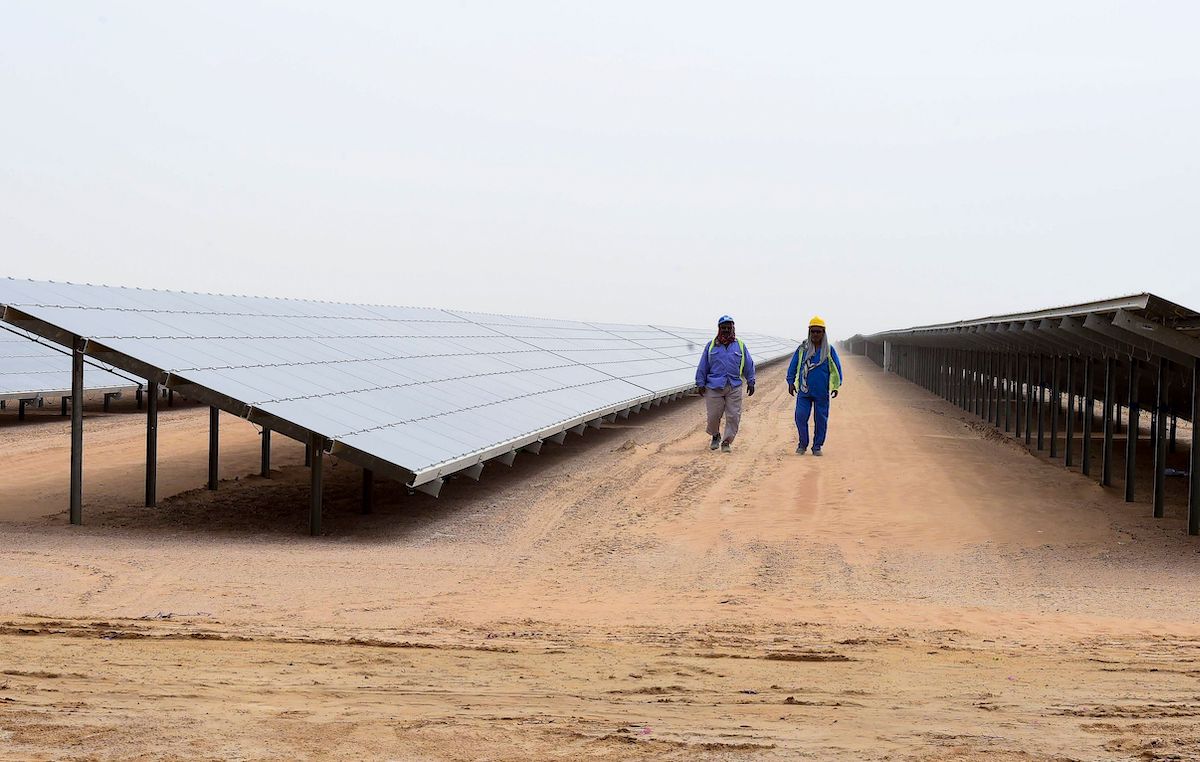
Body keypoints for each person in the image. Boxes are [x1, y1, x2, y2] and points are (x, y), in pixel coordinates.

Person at [695, 315, 756, 453]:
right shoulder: (711, 346)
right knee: (713, 416)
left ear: (733, 328)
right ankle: (715, 435)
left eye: (729, 327)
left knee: (733, 416)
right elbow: (703, 365)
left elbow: (748, 364)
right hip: (713, 386)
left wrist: (751, 381)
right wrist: (700, 382)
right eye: (723, 327)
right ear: (719, 328)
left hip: (733, 386)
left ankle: (727, 441)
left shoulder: (740, 345)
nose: (726, 330)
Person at [786, 316, 843, 456]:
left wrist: (835, 386)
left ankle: (817, 446)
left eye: (818, 331)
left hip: (821, 392)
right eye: (813, 331)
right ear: (809, 332)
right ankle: (802, 444)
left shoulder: (828, 350)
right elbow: (793, 366)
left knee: (821, 420)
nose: (816, 334)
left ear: (823, 333)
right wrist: (790, 382)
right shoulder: (802, 349)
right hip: (804, 391)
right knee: (800, 417)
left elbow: (836, 368)